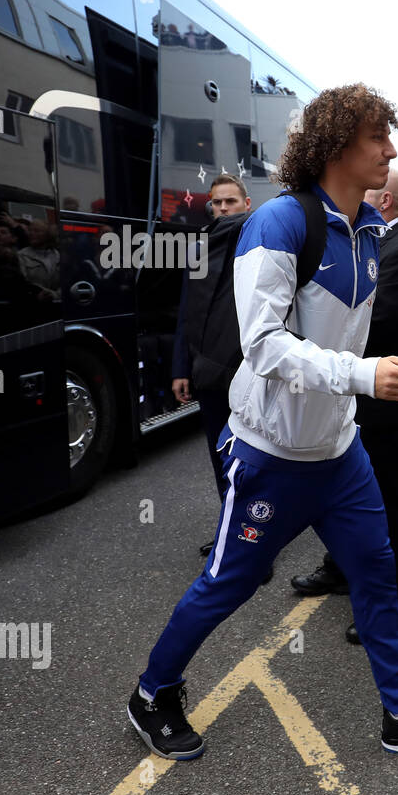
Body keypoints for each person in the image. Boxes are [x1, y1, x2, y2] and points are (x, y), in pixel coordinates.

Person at [128, 83, 398, 760]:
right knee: (231, 582)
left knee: (377, 575)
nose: (391, 148)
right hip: (270, 453)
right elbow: (262, 345)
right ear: (335, 144)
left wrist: (366, 371)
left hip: (339, 452)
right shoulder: (279, 222)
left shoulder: (371, 232)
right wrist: (362, 374)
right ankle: (152, 694)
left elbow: (338, 342)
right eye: (378, 136)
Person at [291, 173, 398, 643]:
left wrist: (321, 341)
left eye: (366, 190)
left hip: (382, 400)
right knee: (338, 493)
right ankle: (340, 568)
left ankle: (393, 600)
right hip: (353, 389)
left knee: (385, 501)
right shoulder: (367, 241)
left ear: (384, 199)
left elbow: (378, 318)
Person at [170, 175, 253, 557]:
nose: (222, 209)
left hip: (247, 370)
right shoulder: (198, 247)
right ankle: (231, 530)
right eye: (216, 203)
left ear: (246, 203)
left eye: (230, 202)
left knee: (249, 456)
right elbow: (187, 312)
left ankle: (254, 539)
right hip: (207, 372)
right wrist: (180, 368)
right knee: (221, 454)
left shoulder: (257, 243)